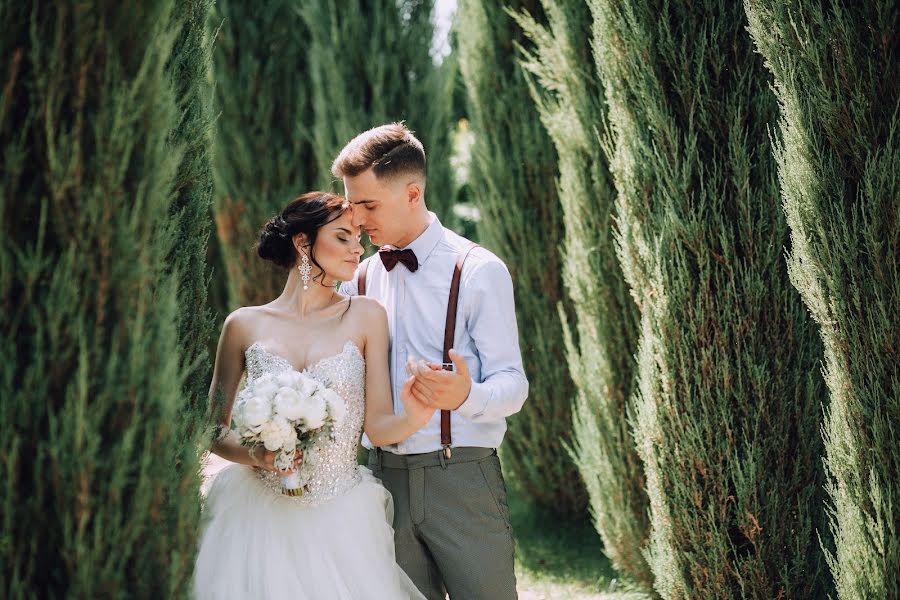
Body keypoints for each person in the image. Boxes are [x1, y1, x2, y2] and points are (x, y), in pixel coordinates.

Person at [194, 191, 429, 599]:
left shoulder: (367, 316)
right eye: (342, 236)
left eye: (358, 236)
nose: (358, 247)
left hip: (341, 516)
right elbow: (211, 428)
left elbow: (379, 425)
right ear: (303, 243)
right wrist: (257, 456)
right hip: (255, 518)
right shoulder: (243, 325)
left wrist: (420, 411)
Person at [336, 123, 529, 600]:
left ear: (413, 192)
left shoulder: (479, 270)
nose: (356, 220)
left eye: (368, 205)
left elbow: (514, 383)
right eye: (351, 204)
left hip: (462, 478)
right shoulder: (356, 280)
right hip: (381, 482)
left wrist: (467, 394)